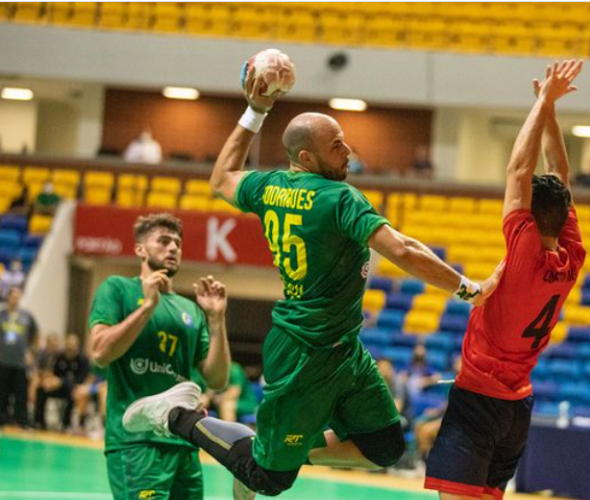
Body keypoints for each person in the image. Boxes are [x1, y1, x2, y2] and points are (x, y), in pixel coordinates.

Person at [120, 61, 497, 500]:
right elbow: (404, 251)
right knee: (269, 480)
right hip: (304, 353)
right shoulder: (338, 198)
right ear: (306, 157)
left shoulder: (271, 187)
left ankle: (261, 450)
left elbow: (220, 179)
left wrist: (254, 112)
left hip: (343, 350)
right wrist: (468, 289)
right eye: (336, 145)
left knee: (386, 446)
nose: (349, 150)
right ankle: (180, 415)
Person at [423, 60, 586, 500]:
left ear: (530, 218)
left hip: (480, 400)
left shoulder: (525, 253)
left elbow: (518, 172)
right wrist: (546, 107)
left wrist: (544, 102)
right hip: (517, 407)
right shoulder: (571, 255)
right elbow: (561, 177)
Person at [88, 213, 231, 500]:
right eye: (164, 241)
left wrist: (216, 321)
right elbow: (100, 353)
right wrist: (147, 307)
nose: (173, 248)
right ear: (140, 249)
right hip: (136, 442)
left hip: (184, 441)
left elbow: (217, 379)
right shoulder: (118, 289)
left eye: (177, 243)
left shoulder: (189, 309)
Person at [34, 334, 90, 430]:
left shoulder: (83, 360)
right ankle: (39, 422)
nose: (70, 348)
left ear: (77, 346)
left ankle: (66, 424)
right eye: (68, 346)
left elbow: (81, 379)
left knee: (75, 393)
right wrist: (50, 381)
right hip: (58, 388)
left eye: (72, 346)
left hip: (73, 388)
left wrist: (62, 381)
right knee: (41, 389)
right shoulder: (59, 357)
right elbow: (54, 374)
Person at [0, 286, 38, 427]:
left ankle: (21, 420)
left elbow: (35, 335)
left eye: (17, 296)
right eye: (12, 296)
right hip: (3, 360)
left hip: (20, 362)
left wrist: (31, 351)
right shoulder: (2, 315)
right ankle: (2, 418)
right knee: (2, 392)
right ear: (8, 297)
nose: (15, 299)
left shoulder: (27, 316)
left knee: (20, 392)